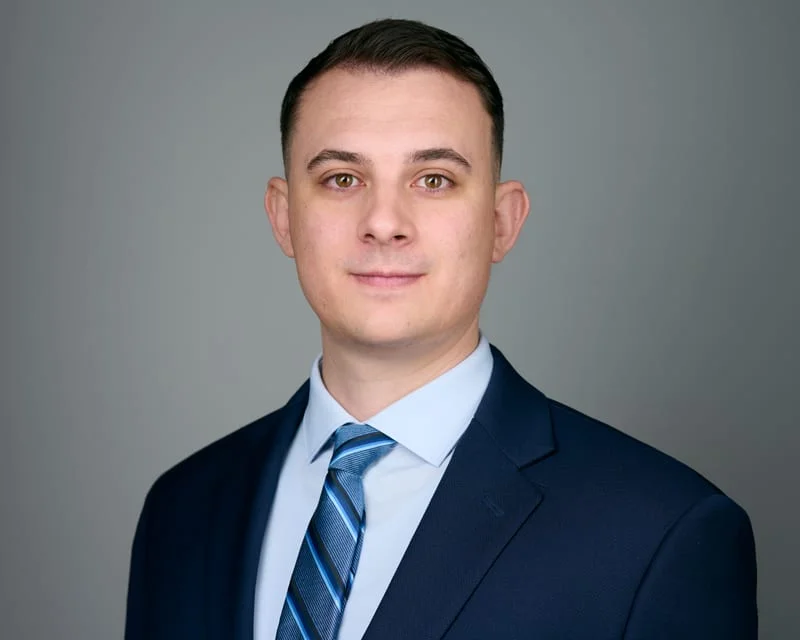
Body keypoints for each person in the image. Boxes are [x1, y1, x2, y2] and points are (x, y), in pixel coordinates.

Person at [124, 18, 757, 640]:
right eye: (342, 179)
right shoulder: (183, 508)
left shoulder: (660, 530)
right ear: (285, 217)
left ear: (502, 222)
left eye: (434, 180)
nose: (383, 222)